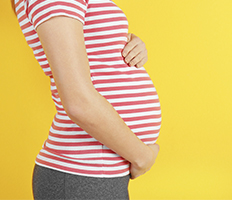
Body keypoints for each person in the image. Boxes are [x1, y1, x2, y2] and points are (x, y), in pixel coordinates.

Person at [12, 0, 162, 199]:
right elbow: (78, 102)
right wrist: (143, 156)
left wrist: (125, 45)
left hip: (95, 173)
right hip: (83, 174)